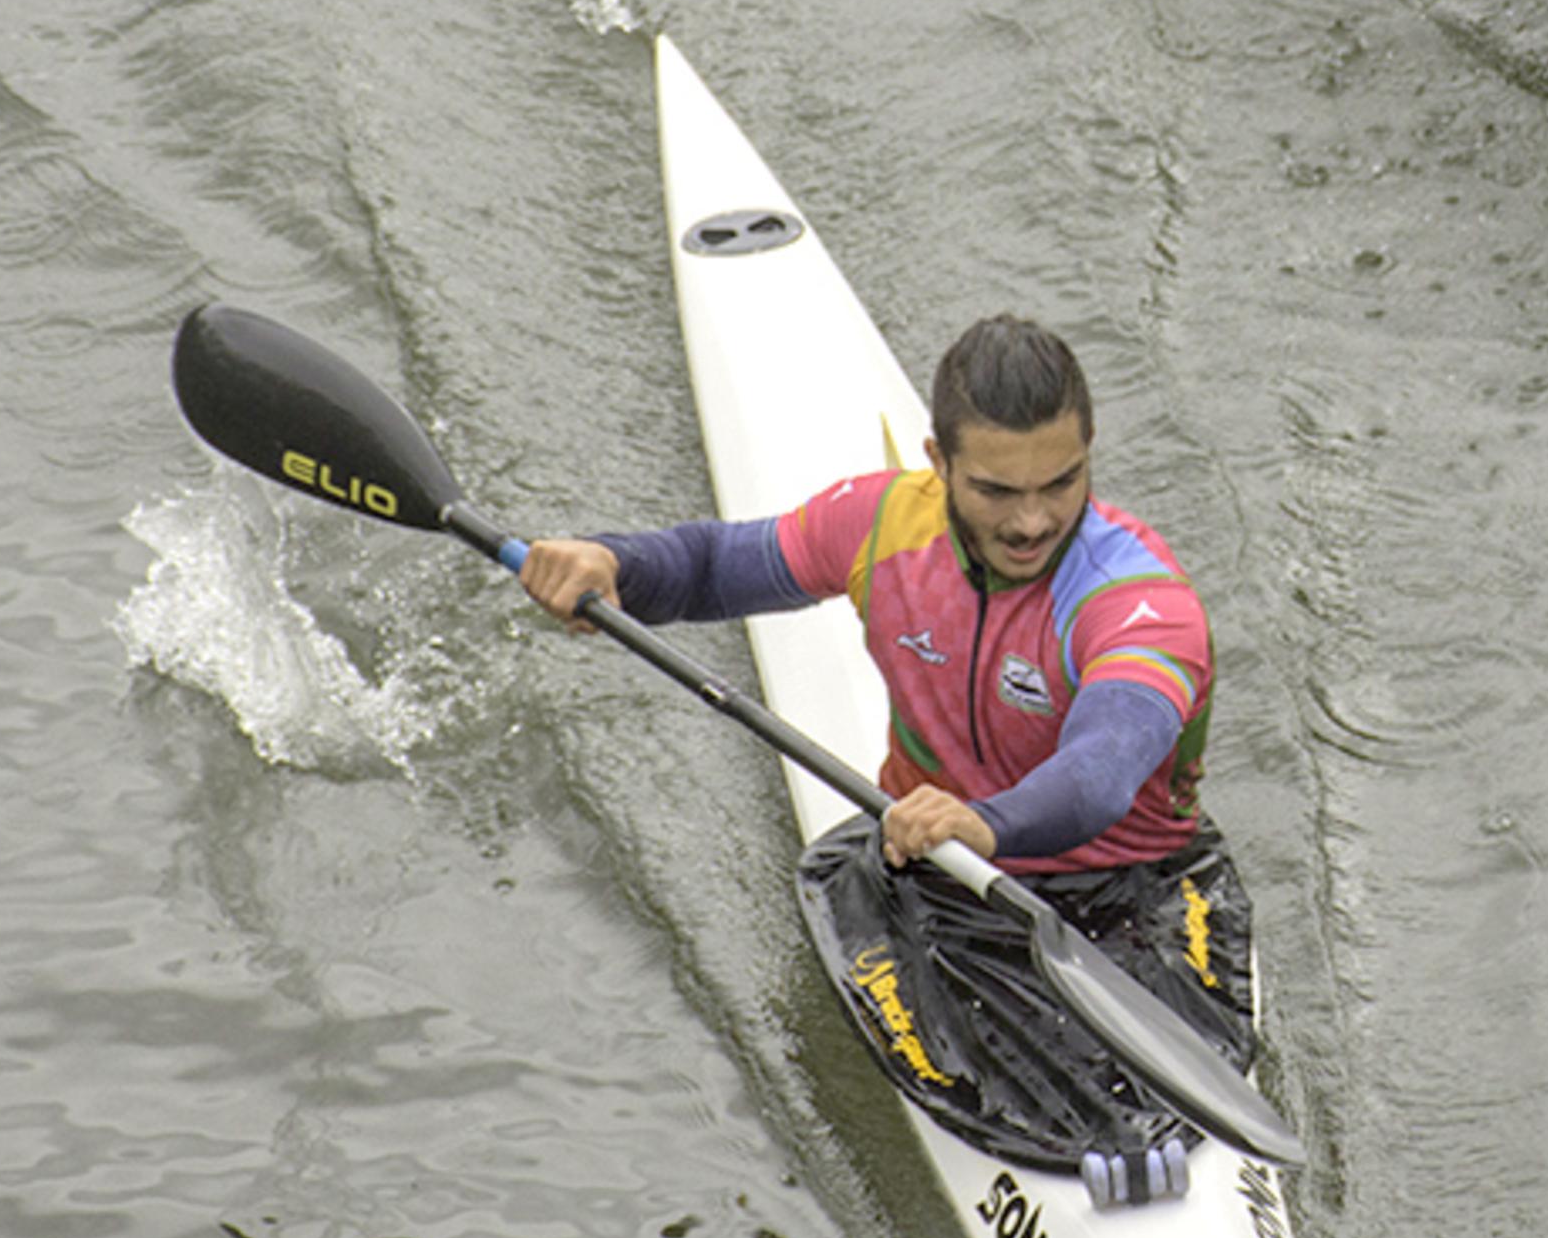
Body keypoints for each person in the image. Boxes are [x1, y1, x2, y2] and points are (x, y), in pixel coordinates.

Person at [515, 313, 1210, 882]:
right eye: (996, 491)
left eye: (1059, 483)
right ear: (937, 463)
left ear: (1088, 447)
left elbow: (1104, 765)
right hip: (930, 850)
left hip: (1126, 879)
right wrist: (612, 561)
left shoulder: (1135, 599)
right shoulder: (879, 524)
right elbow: (713, 566)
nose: (1031, 522)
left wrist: (985, 824)